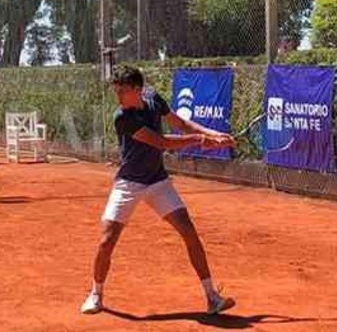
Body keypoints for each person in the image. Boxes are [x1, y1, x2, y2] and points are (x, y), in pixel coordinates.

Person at [81, 65, 237, 316]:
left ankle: (212, 297)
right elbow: (162, 142)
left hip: (157, 181)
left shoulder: (153, 99)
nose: (118, 96)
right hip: (129, 183)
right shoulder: (122, 117)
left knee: (189, 233)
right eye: (116, 91)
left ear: (138, 90)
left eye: (122, 91)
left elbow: (180, 123)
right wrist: (200, 141)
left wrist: (214, 134)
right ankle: (96, 294)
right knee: (107, 239)